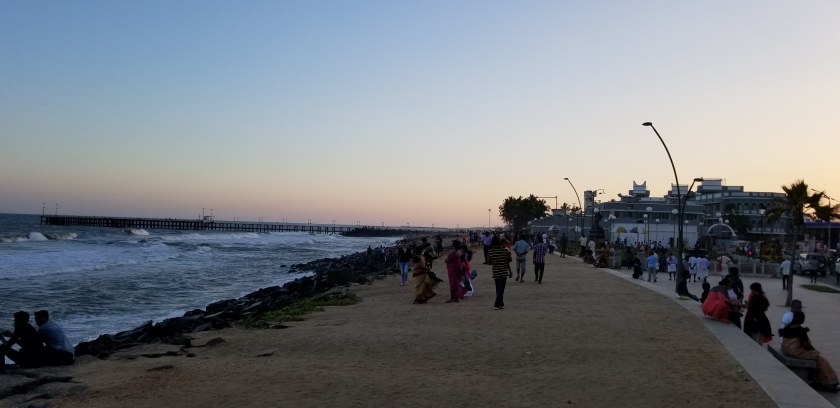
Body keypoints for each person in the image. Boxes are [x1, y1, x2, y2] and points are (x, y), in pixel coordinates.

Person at [778, 312, 840, 391]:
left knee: (814, 356)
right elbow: (807, 344)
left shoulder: (787, 328)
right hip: (797, 352)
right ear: (802, 320)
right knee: (819, 359)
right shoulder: (801, 331)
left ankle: (817, 379)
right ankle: (830, 382)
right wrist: (814, 351)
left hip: (786, 350)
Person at [487, 236, 512, 310]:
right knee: (501, 289)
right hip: (503, 272)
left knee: (498, 289)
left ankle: (500, 303)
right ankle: (497, 304)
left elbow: (489, 262)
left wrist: (495, 261)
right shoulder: (505, 251)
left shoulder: (490, 252)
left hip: (496, 272)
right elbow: (510, 260)